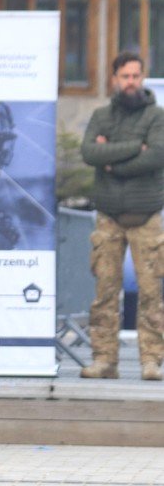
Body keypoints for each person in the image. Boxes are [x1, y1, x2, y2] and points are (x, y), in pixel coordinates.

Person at [79, 51, 164, 381]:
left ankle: (152, 360)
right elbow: (90, 152)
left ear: (143, 77)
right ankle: (104, 360)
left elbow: (156, 156)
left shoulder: (156, 116)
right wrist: (133, 148)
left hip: (147, 216)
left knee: (151, 292)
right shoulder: (101, 115)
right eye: (125, 76)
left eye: (136, 76)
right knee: (105, 292)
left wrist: (111, 161)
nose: (131, 82)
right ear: (115, 78)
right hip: (109, 216)